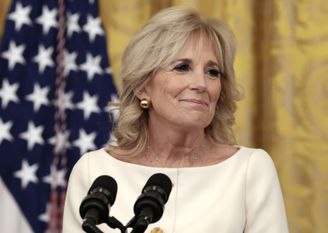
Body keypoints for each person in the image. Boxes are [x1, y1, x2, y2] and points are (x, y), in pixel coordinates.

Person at [62, 6, 289, 233]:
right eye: (182, 67)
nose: (201, 84)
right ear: (143, 87)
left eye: (213, 72)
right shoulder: (94, 170)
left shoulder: (250, 169)